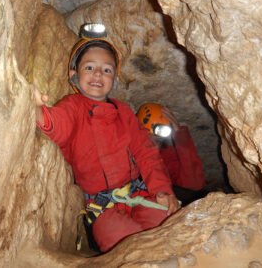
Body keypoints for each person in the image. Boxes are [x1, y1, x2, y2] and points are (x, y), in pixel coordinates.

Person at [34, 24, 179, 253]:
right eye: (89, 67)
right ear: (74, 76)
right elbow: (59, 126)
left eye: (107, 70)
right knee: (122, 242)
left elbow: (146, 153)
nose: (98, 74)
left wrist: (162, 190)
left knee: (165, 224)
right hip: (102, 208)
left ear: (116, 79)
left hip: (138, 193)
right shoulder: (73, 106)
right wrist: (39, 113)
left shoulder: (124, 112)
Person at [136, 103, 206, 205]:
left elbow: (194, 184)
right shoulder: (121, 151)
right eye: (148, 140)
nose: (154, 147)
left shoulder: (164, 157)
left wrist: (180, 137)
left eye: (158, 141)